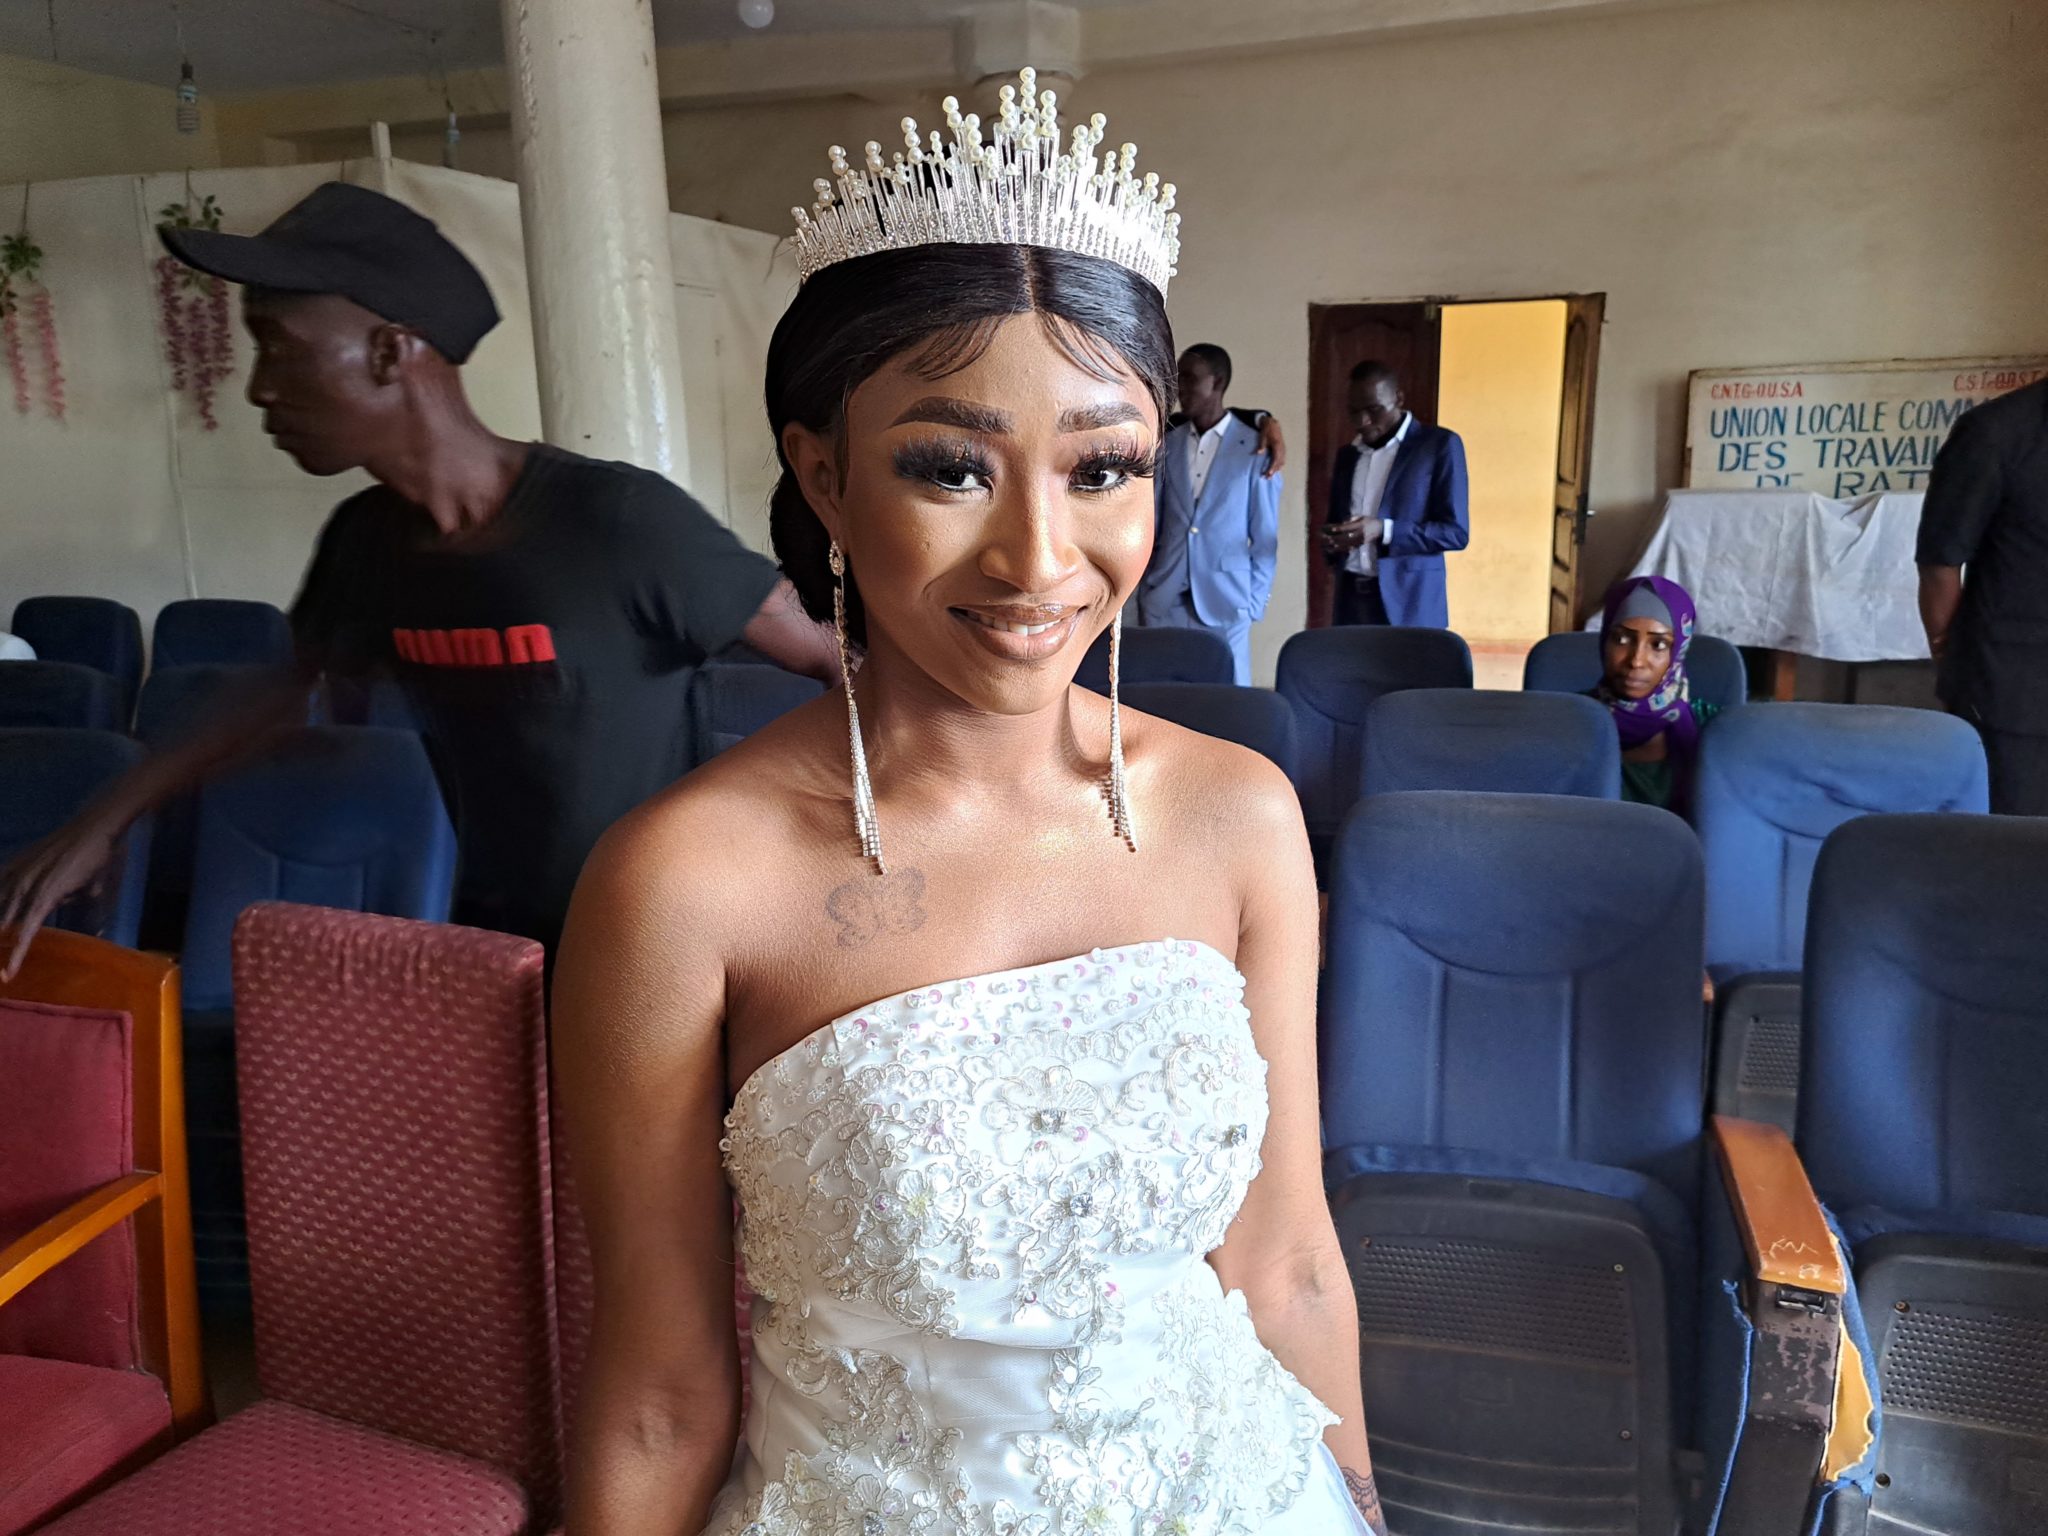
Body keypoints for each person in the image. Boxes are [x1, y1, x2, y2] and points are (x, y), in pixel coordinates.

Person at [552, 72, 1386, 1536]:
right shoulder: (683, 884)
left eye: (1102, 467)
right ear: (823, 477)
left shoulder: (1240, 818)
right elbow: (658, 1396)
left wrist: (1363, 1507)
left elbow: (1287, 1264)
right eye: (949, 468)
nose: (1037, 558)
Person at [0, 182, 835, 974]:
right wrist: (103, 821)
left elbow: (831, 661)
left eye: (280, 351)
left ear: (389, 352)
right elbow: (273, 694)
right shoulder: (369, 543)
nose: (258, 390)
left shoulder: (617, 521)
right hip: (495, 945)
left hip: (655, 946)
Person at [1917, 376, 2048, 815]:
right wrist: (1951, 653)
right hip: (2015, 697)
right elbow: (1940, 562)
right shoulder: (1994, 433)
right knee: (2012, 842)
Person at [1136, 343, 1281, 684]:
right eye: (1178, 378)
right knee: (1161, 700)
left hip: (1228, 600)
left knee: (1230, 701)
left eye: (1190, 378)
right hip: (1164, 598)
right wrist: (1146, 586)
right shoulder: (1167, 442)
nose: (1180, 388)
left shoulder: (1257, 447)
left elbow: (1265, 537)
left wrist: (1254, 603)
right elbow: (1151, 520)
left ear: (1217, 383)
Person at [1321, 358, 1469, 628]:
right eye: (1353, 411)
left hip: (1411, 605)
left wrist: (1383, 530)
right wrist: (1333, 540)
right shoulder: (1348, 456)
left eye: (1374, 409)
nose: (1363, 421)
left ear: (1398, 398)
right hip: (1351, 600)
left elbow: (1455, 533)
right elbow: (1335, 520)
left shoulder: (1438, 446)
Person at [1592, 575, 1719, 812]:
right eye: (1621, 639)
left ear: (1678, 651)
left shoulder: (1713, 727)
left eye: (1658, 644)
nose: (1636, 660)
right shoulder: (1572, 720)